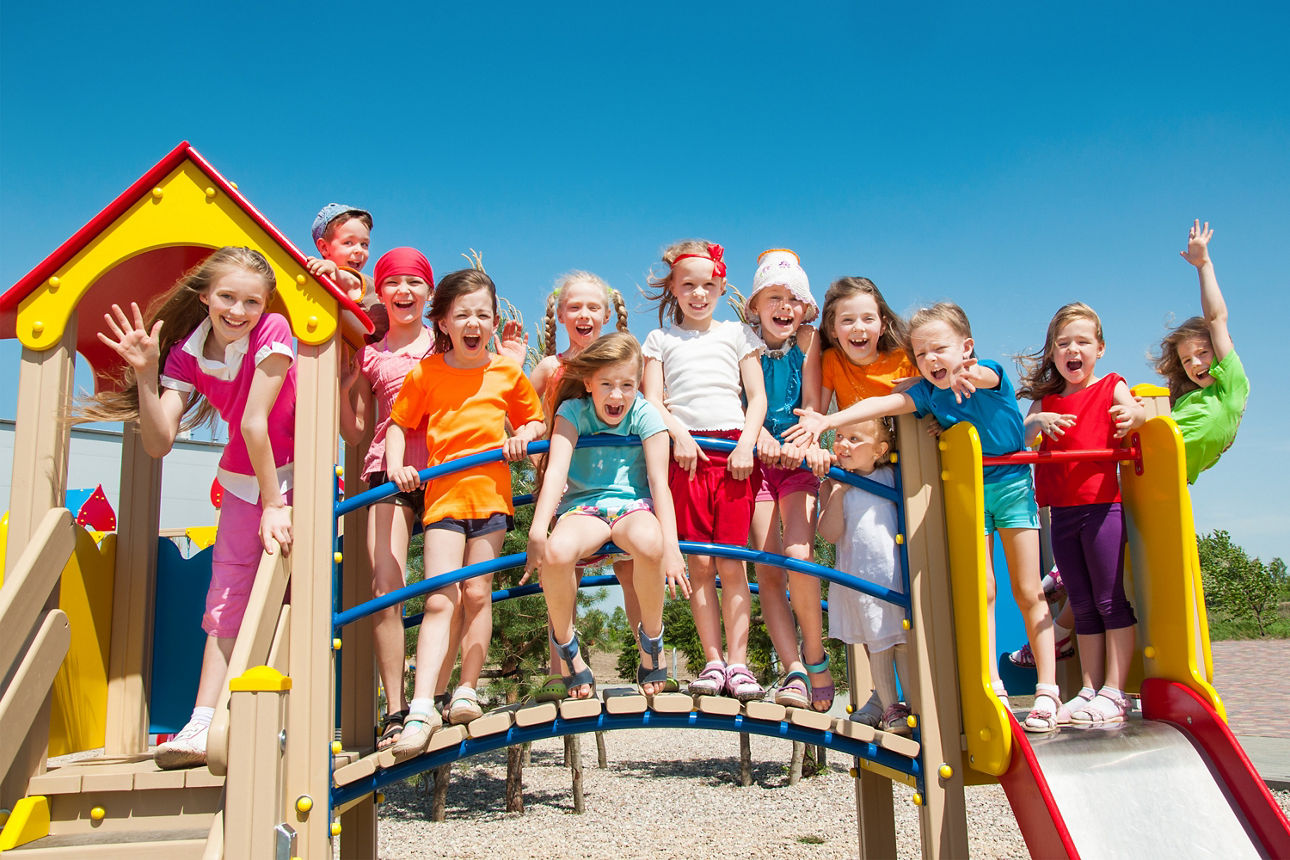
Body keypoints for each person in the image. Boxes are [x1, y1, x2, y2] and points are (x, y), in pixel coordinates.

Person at [786, 303, 1061, 732]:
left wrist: (968, 374)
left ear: (965, 347)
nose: (932, 360)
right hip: (967, 491)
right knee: (982, 589)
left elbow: (986, 377)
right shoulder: (928, 395)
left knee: (1028, 588)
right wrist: (826, 420)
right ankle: (994, 683)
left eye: (940, 350)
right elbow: (879, 403)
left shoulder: (983, 372)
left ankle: (1047, 690)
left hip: (1010, 487)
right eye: (922, 354)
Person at [80, 247, 296, 768]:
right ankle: (202, 721)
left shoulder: (273, 332)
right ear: (204, 296)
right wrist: (148, 373)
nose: (238, 311)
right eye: (227, 297)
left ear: (265, 304)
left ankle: (284, 717)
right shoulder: (185, 355)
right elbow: (159, 442)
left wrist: (275, 505)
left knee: (292, 592)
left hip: (296, 476)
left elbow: (253, 422)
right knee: (224, 599)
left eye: (251, 300)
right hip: (248, 481)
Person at [385, 269, 544, 753]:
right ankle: (420, 707)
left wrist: (522, 436)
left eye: (483, 314)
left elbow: (534, 419)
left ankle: (467, 691)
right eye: (463, 315)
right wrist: (397, 467)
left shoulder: (505, 371)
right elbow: (398, 424)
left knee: (477, 591)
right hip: (444, 500)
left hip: (490, 499)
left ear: (494, 321)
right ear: (444, 322)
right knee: (440, 596)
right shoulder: (427, 372)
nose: (473, 323)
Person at [525, 333, 688, 697]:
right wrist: (538, 529)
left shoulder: (644, 412)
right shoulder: (573, 412)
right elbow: (555, 471)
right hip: (585, 507)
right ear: (588, 383)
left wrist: (672, 550)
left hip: (633, 505)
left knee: (651, 543)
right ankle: (568, 651)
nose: (617, 395)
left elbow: (660, 485)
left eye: (627, 385)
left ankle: (651, 644)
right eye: (607, 384)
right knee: (556, 553)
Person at [784, 275, 914, 725]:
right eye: (846, 320)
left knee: (900, 596)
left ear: (882, 321)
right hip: (859, 474)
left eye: (867, 318)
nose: (858, 328)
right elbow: (815, 409)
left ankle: (912, 702)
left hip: (902, 478)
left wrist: (828, 421)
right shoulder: (835, 361)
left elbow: (914, 405)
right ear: (833, 327)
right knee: (864, 587)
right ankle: (882, 697)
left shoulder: (903, 360)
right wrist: (819, 443)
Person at [642, 240, 768, 701]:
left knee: (732, 563)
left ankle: (740, 663)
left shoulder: (736, 333)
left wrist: (747, 444)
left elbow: (756, 397)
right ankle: (712, 660)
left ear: (721, 286)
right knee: (699, 563)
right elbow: (652, 400)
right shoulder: (659, 340)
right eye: (688, 285)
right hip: (686, 456)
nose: (699, 294)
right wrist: (679, 434)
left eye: (708, 285)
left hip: (733, 452)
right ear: (672, 288)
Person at [1019, 302, 1146, 724]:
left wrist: (1136, 414)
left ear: (1100, 348)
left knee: (1110, 600)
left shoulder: (1112, 385)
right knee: (1083, 603)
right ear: (1053, 352)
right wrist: (1037, 421)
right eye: (1063, 343)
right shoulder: (1048, 399)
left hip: (1102, 507)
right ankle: (1089, 688)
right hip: (1061, 511)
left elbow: (1138, 413)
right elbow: (1019, 434)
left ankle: (1115, 690)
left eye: (1082, 342)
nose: (1073, 350)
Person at [338, 248, 435, 749]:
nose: (404, 291)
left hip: (442, 467)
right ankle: (395, 707)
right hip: (386, 470)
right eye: (393, 283)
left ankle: (431, 698)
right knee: (385, 586)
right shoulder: (370, 353)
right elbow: (355, 431)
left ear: (428, 292)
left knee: (450, 586)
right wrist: (344, 388)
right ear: (381, 292)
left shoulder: (445, 344)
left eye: (414, 283)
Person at [526, 271, 638, 701]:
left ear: (607, 315)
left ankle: (649, 658)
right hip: (568, 486)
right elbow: (528, 410)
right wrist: (529, 429)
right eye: (575, 307)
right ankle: (564, 668)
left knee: (630, 566)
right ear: (560, 313)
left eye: (593, 307)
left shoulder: (622, 362)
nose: (584, 314)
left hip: (618, 481)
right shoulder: (551, 368)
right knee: (562, 570)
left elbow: (644, 408)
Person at [740, 249, 833, 710]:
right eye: (773, 296)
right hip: (756, 463)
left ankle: (815, 658)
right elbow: (743, 403)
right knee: (767, 565)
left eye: (793, 299)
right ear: (756, 305)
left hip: (795, 459)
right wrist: (756, 439)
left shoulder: (809, 341)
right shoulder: (744, 344)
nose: (784, 306)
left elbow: (813, 403)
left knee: (799, 554)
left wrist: (807, 439)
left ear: (805, 309)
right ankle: (791, 668)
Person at [818, 418, 913, 735]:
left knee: (900, 641)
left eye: (854, 439)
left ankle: (910, 705)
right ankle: (891, 707)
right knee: (878, 642)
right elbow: (829, 534)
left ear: (879, 449)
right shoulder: (834, 482)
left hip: (893, 577)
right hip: (859, 580)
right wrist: (839, 492)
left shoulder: (891, 476)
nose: (843, 445)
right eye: (840, 437)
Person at [1154, 220, 1249, 483]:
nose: (1195, 364)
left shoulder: (1230, 386)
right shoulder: (1187, 401)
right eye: (1186, 360)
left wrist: (1204, 266)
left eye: (1202, 353)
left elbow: (1216, 319)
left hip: (1164, 481)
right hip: (1145, 464)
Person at [305, 203, 385, 340]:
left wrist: (334, 271)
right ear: (324, 247)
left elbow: (348, 281)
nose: (359, 250)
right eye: (348, 242)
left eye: (364, 244)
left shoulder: (357, 280)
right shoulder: (323, 287)